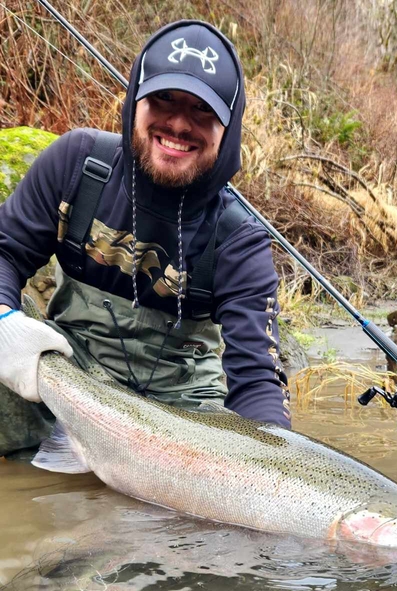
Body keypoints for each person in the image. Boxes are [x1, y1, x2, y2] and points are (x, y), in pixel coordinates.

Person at [0, 19, 291, 458]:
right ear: (135, 100)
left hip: (183, 413)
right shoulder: (76, 165)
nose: (178, 124)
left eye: (202, 111)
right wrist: (3, 323)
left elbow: (256, 381)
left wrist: (275, 472)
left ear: (227, 131)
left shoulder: (239, 240)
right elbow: (5, 252)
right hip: (65, 376)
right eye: (163, 99)